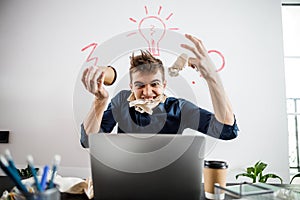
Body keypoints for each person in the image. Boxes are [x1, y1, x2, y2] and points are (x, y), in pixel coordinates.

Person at [80, 34, 238, 148]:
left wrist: (212, 78)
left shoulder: (179, 108)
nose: (147, 92)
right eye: (140, 85)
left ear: (164, 85)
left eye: (154, 84)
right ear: (131, 87)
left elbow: (227, 131)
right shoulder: (122, 101)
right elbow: (88, 141)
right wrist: (99, 101)